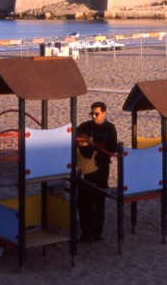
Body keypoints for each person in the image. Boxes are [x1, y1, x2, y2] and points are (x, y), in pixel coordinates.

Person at [76, 101, 117, 242]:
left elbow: (112, 148)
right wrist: (84, 144)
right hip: (86, 168)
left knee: (99, 201)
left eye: (97, 113)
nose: (94, 116)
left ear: (104, 113)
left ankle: (98, 232)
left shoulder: (110, 128)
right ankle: (86, 233)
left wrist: (95, 148)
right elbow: (75, 137)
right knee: (83, 202)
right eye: (92, 113)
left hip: (101, 168)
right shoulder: (85, 126)